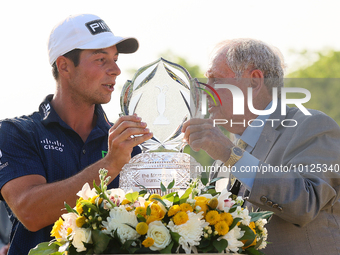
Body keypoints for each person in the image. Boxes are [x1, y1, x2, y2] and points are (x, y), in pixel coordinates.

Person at [0, 14, 153, 255]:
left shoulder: (129, 144)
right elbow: (30, 212)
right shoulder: (17, 132)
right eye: (101, 59)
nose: (115, 70)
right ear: (64, 66)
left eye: (115, 59)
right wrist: (110, 164)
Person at [182, 38, 340, 255]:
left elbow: (305, 202)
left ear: (254, 81)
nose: (205, 90)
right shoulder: (225, 156)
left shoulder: (312, 125)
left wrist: (229, 154)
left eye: (215, 79)